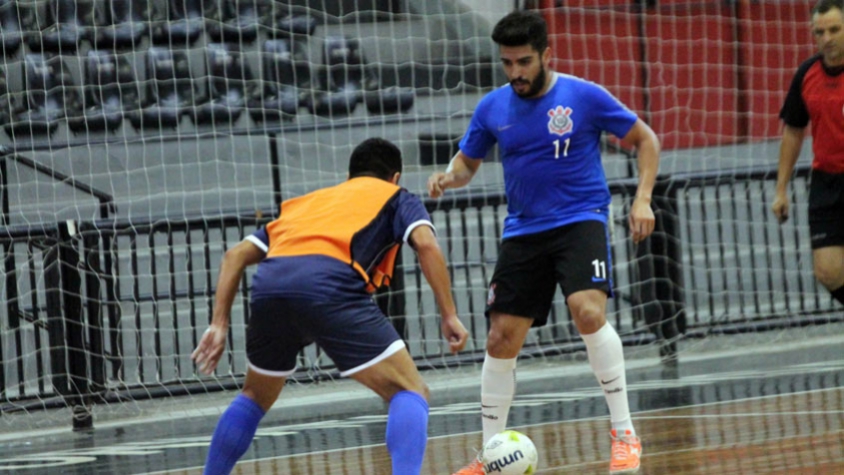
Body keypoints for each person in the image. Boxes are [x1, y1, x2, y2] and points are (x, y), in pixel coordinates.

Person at [428, 11, 660, 475]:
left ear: (546, 55)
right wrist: (448, 178)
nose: (515, 73)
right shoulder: (492, 107)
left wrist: (643, 200)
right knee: (500, 337)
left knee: (588, 312)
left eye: (524, 62)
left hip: (580, 220)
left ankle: (624, 435)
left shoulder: (583, 95)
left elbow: (645, 139)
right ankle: (490, 453)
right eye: (507, 63)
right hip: (524, 230)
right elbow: (467, 163)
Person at [192, 138, 470, 475]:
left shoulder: (308, 202)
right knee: (409, 390)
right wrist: (449, 314)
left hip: (270, 287)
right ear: (395, 177)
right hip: (330, 284)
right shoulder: (397, 198)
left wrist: (219, 324)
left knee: (253, 396)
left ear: (350, 174)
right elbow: (426, 245)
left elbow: (235, 255)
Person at [773, 0, 844, 308]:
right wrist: (780, 189)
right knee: (828, 270)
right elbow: (793, 130)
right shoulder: (807, 74)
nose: (826, 38)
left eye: (834, 29)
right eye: (819, 32)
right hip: (827, 183)